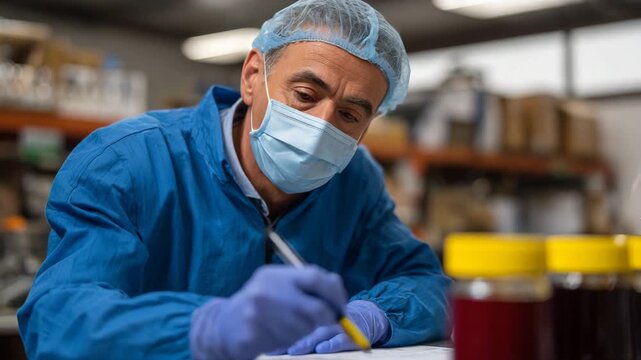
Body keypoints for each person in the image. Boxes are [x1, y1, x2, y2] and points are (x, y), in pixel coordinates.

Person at [18, 0, 451, 359]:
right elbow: (59, 319)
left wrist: (375, 314)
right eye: (304, 95)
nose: (322, 126)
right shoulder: (128, 161)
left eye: (350, 114)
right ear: (252, 77)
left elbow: (431, 285)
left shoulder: (355, 182)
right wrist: (206, 328)